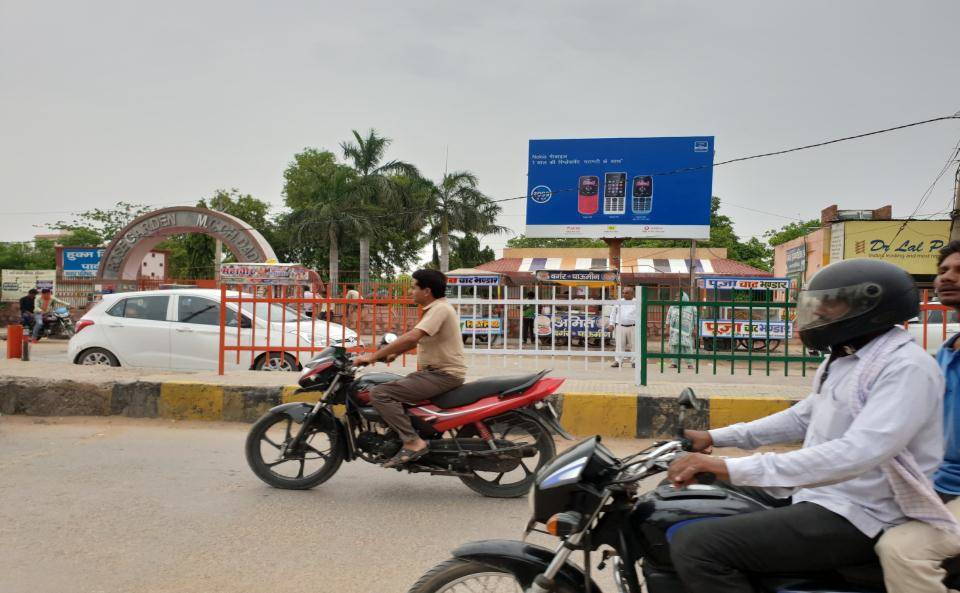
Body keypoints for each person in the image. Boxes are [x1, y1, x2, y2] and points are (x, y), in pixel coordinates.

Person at [666, 259, 954, 593]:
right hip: (822, 493)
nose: (818, 313)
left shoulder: (906, 367)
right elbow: (803, 417)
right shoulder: (848, 358)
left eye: (830, 304)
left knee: (696, 545)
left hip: (864, 513)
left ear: (868, 306)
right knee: (697, 496)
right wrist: (714, 437)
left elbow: (856, 453)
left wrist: (726, 465)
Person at [874, 241, 960, 593]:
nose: (949, 278)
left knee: (902, 550)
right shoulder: (947, 349)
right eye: (944, 271)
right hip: (936, 484)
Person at [353, 269, 466, 468]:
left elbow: (412, 336)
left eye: (414, 287)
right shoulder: (437, 309)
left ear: (427, 291)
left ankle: (413, 442)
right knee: (393, 386)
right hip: (435, 373)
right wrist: (394, 353)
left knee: (380, 393)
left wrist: (372, 356)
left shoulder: (439, 309)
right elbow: (422, 339)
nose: (410, 292)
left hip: (442, 374)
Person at [607, 286, 637, 368]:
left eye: (626, 293)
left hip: (633, 327)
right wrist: (611, 324)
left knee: (634, 345)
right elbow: (613, 314)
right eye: (623, 293)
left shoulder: (637, 302)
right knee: (619, 345)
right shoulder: (619, 302)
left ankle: (634, 361)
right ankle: (618, 361)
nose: (624, 294)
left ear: (632, 293)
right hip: (620, 326)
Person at [667, 291, 696, 369]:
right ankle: (674, 363)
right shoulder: (673, 306)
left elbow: (695, 319)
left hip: (687, 331)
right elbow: (668, 317)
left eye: (678, 297)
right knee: (674, 346)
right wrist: (667, 328)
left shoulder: (691, 307)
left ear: (684, 297)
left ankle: (690, 364)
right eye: (676, 297)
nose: (676, 298)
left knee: (687, 346)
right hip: (674, 331)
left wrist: (695, 329)